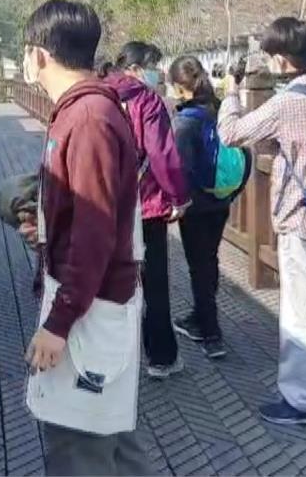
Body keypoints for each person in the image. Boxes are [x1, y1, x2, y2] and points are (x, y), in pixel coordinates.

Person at [17, 0, 152, 476]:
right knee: (111, 440)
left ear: (38, 55)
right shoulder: (88, 110)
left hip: (90, 312)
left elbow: (94, 233)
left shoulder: (87, 118)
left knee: (81, 448)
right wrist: (47, 231)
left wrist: (58, 322)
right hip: (98, 303)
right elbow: (88, 218)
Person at [217, 17, 306, 427]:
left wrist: (231, 94)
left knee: (300, 311)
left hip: (302, 219)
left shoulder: (289, 100)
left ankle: (305, 402)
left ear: (280, 59)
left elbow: (233, 134)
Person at [101, 42, 190, 379]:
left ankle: (109, 360)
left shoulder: (98, 94)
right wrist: (179, 197)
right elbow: (162, 155)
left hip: (104, 206)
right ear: (137, 68)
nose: (158, 72)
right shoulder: (145, 100)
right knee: (153, 284)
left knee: (109, 283)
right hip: (146, 206)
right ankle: (161, 357)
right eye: (155, 65)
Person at [168, 56, 251, 360]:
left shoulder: (186, 122)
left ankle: (211, 332)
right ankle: (199, 316)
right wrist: (231, 193)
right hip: (220, 201)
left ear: (179, 87)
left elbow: (180, 170)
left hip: (196, 206)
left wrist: (177, 202)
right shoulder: (220, 111)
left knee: (198, 267)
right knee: (209, 260)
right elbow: (245, 154)